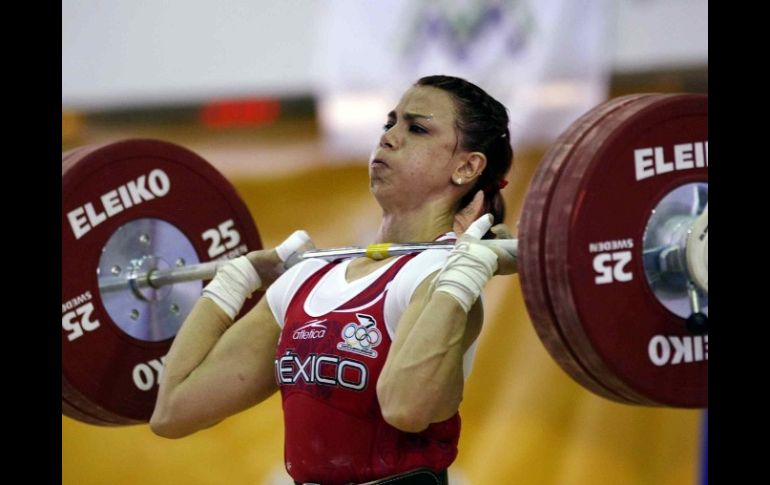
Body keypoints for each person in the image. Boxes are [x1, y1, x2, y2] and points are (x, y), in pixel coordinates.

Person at [150, 74, 516, 485]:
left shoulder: (435, 277)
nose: (390, 138)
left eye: (416, 128)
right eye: (389, 124)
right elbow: (173, 411)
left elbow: (405, 408)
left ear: (467, 166)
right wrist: (235, 282)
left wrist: (460, 280)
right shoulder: (307, 278)